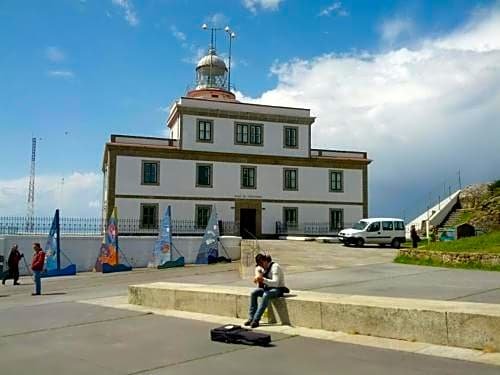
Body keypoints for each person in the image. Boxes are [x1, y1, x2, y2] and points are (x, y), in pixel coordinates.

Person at [245, 253, 288, 328]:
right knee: (254, 293)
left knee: (266, 295)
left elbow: (275, 283)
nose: (261, 266)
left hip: (278, 289)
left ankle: (256, 320)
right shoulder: (261, 268)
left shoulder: (275, 267)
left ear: (265, 261)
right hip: (268, 288)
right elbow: (259, 281)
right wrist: (258, 276)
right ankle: (251, 318)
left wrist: (263, 279)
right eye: (259, 264)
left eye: (261, 263)